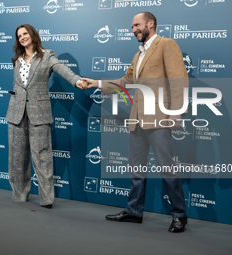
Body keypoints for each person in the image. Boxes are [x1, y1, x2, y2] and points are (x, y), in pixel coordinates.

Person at [82, 12, 189, 232]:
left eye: (137, 25)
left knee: (166, 167)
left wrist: (177, 112)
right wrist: (96, 83)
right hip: (137, 120)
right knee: (137, 168)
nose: (134, 30)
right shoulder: (138, 55)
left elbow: (179, 79)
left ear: (151, 24)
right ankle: (134, 211)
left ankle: (179, 215)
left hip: (159, 118)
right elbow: (124, 83)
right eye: (132, 27)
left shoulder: (166, 44)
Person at [6, 24, 87, 209]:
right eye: (19, 36)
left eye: (25, 34)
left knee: (42, 156)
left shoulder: (47, 55)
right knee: (17, 157)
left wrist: (76, 81)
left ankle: (46, 199)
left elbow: (61, 68)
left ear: (33, 34)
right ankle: (19, 195)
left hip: (39, 113)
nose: (22, 38)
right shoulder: (17, 59)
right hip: (16, 113)